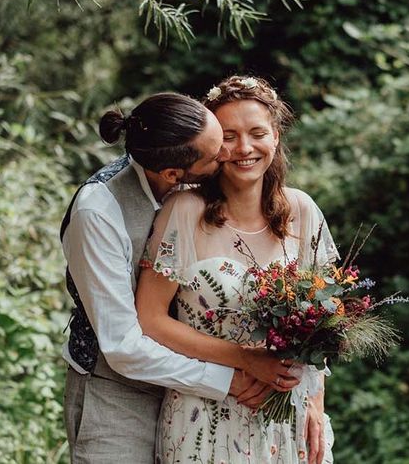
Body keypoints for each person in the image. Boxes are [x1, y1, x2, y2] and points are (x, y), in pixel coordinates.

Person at [61, 92, 298, 464]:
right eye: (217, 152)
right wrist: (233, 376)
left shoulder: (179, 154)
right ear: (175, 175)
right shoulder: (99, 212)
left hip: (199, 396)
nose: (229, 155)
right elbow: (123, 346)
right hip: (119, 394)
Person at [137, 76, 339, 464]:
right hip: (204, 413)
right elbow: (150, 319)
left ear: (275, 137)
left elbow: (323, 323)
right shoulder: (184, 211)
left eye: (257, 132)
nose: (244, 148)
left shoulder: (303, 211)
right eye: (228, 136)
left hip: (286, 419)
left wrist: (314, 401)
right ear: (212, 145)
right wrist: (243, 359)